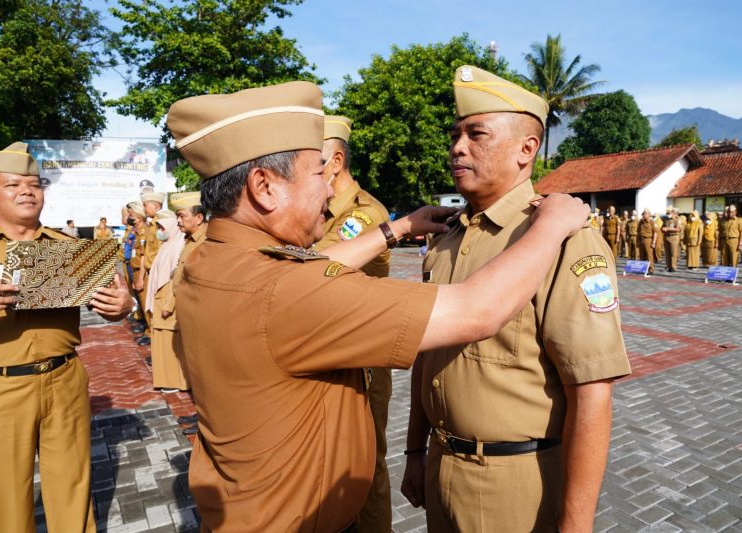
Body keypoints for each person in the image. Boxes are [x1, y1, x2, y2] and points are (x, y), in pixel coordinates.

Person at [166, 81, 590, 532]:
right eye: (317, 175)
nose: (329, 193)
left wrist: (398, 227)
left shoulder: (208, 261)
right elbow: (476, 311)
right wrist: (553, 225)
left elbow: (300, 273)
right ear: (264, 187)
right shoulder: (282, 290)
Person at [401, 65, 631, 533]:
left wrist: (576, 523)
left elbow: (590, 391)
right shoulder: (445, 239)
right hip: (442, 467)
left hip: (515, 484)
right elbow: (428, 359)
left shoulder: (561, 237)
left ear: (527, 149)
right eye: (456, 135)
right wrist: (414, 452)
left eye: (476, 134)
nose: (457, 147)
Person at [0, 142, 133, 532]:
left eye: (35, 184)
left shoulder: (70, 249)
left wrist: (124, 305)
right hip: (0, 387)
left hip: (65, 379)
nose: (27, 191)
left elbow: (117, 306)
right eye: (12, 185)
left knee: (73, 487)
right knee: (5, 498)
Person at [311, 115, 394, 533]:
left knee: (365, 464)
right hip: (328, 350)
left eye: (314, 161)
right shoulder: (318, 209)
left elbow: (315, 267)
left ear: (336, 161)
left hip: (360, 360)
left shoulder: (362, 214)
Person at [169, 191, 208, 432]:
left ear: (199, 218)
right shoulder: (190, 240)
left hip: (200, 318)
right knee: (197, 371)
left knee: (205, 373)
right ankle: (202, 414)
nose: (178, 221)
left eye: (182, 215)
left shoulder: (206, 243)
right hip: (188, 315)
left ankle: (207, 420)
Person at [145, 210, 189, 392]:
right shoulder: (167, 245)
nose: (159, 231)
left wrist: (169, 304)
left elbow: (177, 279)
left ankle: (175, 381)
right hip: (160, 299)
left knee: (171, 343)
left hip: (168, 300)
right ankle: (166, 379)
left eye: (163, 227)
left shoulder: (180, 245)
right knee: (162, 342)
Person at [638, 208, 659, 274]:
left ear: (649, 214)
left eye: (645, 213)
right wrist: (638, 241)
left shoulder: (652, 222)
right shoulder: (641, 222)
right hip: (642, 240)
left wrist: (654, 242)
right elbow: (638, 231)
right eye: (643, 213)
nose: (644, 215)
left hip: (648, 240)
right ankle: (643, 269)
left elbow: (655, 233)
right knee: (642, 255)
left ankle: (651, 269)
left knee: (649, 255)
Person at [661, 207, 681, 271]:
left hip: (674, 237)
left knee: (673, 253)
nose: (668, 214)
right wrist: (662, 229)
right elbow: (662, 227)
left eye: (669, 213)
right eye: (667, 213)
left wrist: (668, 229)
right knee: (667, 253)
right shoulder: (666, 219)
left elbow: (678, 229)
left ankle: (673, 267)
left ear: (673, 212)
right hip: (667, 237)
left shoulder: (677, 219)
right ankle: (668, 266)